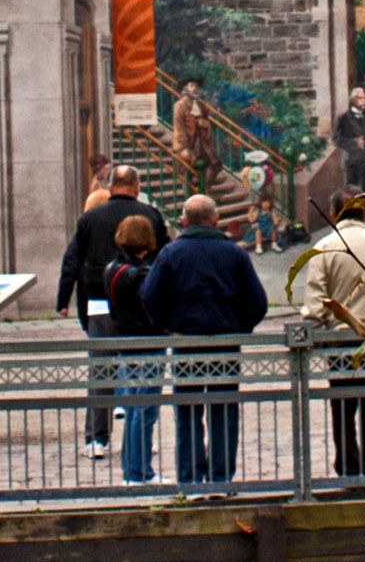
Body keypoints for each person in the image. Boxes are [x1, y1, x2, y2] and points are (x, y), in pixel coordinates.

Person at [135, 197, 266, 488]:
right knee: (223, 408)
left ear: (184, 222)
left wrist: (166, 323)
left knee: (188, 408)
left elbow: (150, 296)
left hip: (186, 340)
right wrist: (240, 326)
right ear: (215, 220)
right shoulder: (234, 254)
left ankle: (191, 479)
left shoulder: (171, 253)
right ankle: (220, 478)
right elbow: (257, 302)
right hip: (225, 341)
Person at [287, 194, 365, 480]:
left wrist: (314, 328)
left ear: (333, 214)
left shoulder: (324, 247)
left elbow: (315, 301)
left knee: (342, 405)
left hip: (341, 339)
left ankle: (347, 465)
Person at [55, 168, 165, 448]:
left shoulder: (90, 218)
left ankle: (96, 438)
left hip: (99, 302)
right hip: (140, 302)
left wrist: (64, 300)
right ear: (136, 185)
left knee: (100, 370)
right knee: (142, 370)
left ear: (112, 185)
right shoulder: (150, 215)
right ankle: (140, 437)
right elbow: (163, 259)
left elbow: (73, 261)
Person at [90, 212, 167, 486]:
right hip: (147, 341)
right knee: (145, 410)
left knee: (135, 407)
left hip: (125, 341)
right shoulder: (143, 273)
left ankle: (131, 469)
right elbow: (154, 307)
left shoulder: (111, 268)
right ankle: (139, 472)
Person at [334, 88, 365, 202]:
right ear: (353, 101)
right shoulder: (343, 118)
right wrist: (355, 142)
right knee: (352, 190)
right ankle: (352, 213)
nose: (363, 101)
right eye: (360, 98)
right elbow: (336, 139)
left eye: (364, 98)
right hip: (352, 160)